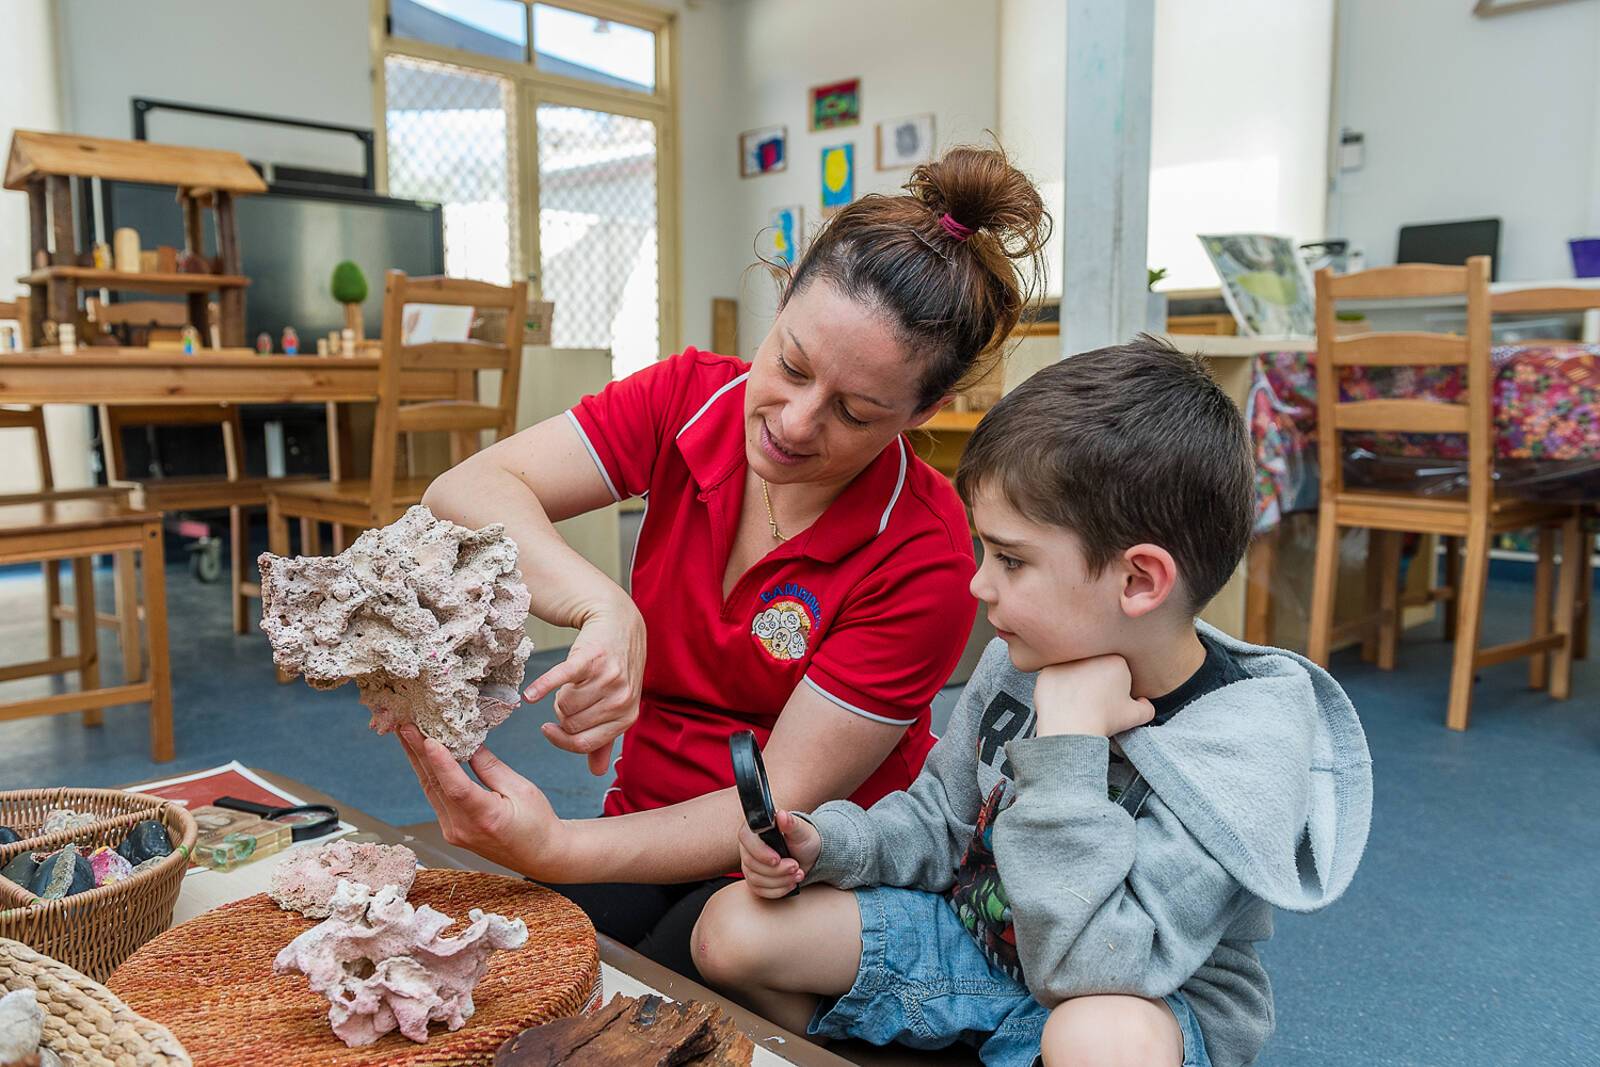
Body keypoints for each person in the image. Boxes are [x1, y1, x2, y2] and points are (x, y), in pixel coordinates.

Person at [398, 145, 1053, 979]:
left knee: (674, 990)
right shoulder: (687, 397)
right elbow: (464, 490)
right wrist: (603, 606)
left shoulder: (923, 553)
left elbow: (778, 796)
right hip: (643, 819)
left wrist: (556, 846)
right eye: (791, 365)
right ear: (781, 299)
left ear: (924, 411)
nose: (795, 423)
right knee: (521, 973)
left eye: (855, 412)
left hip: (796, 865)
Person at [691, 337, 1374, 1067]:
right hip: (980, 941)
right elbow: (942, 819)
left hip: (1133, 993)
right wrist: (830, 845)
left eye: (1012, 560)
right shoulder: (1019, 660)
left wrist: (1069, 746)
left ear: (1139, 581)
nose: (980, 583)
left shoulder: (1242, 755)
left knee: (1097, 1041)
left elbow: (1086, 968)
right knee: (731, 930)